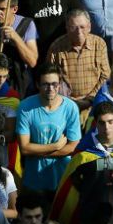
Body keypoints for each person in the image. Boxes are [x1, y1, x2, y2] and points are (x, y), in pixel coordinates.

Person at [51, 102, 113, 224]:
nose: (107, 128)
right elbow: (71, 184)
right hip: (90, 218)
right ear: (96, 124)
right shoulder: (83, 152)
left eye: (110, 122)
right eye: (102, 123)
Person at [16, 63, 81, 192]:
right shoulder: (25, 107)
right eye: (45, 84)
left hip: (62, 179)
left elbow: (72, 147)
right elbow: (24, 148)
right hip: (33, 181)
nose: (50, 88)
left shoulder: (70, 107)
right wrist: (56, 146)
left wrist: (38, 152)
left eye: (54, 84)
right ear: (37, 85)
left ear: (60, 84)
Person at [47, 8, 110, 112]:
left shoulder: (99, 44)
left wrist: (90, 99)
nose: (78, 32)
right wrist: (69, 100)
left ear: (89, 27)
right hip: (65, 105)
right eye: (73, 27)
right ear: (66, 28)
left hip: (95, 103)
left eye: (82, 27)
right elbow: (50, 78)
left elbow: (105, 76)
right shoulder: (56, 48)